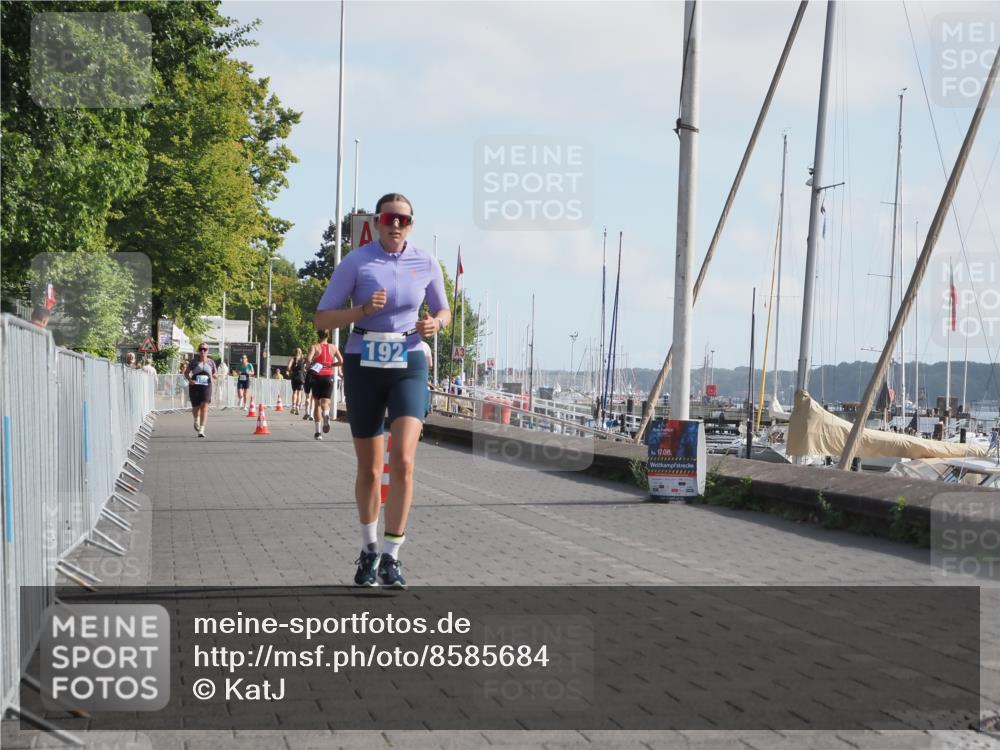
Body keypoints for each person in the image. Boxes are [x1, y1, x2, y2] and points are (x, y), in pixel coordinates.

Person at [315, 192, 450, 589]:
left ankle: (393, 555)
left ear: (411, 224)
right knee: (371, 469)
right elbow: (321, 317)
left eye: (404, 219)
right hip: (364, 361)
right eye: (389, 218)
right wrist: (361, 312)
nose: (396, 225)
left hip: (408, 359)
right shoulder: (356, 262)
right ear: (376, 221)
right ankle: (369, 550)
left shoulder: (426, 262)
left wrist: (436, 325)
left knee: (404, 461)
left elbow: (443, 310)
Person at [306, 330, 343, 440]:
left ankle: (318, 433)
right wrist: (332, 364)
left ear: (318, 335)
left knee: (317, 403)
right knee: (325, 402)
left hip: (317, 376)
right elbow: (341, 361)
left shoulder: (315, 347)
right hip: (328, 376)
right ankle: (326, 414)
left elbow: (308, 359)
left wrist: (309, 366)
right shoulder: (333, 347)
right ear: (328, 336)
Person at [185, 344, 217, 438]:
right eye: (201, 349)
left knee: (205, 406)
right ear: (198, 350)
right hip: (195, 386)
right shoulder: (193, 362)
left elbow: (215, 373)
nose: (203, 351)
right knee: (196, 407)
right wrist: (190, 380)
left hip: (207, 385)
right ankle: (196, 419)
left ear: (207, 350)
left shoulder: (211, 362)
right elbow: (186, 373)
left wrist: (215, 376)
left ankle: (202, 429)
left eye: (205, 349)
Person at [288, 348, 306, 415]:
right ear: (301, 353)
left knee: (294, 392)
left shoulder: (292, 359)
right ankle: (298, 407)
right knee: (299, 393)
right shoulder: (303, 360)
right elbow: (305, 369)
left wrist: (291, 371)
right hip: (301, 377)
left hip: (294, 377)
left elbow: (288, 367)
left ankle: (293, 406)